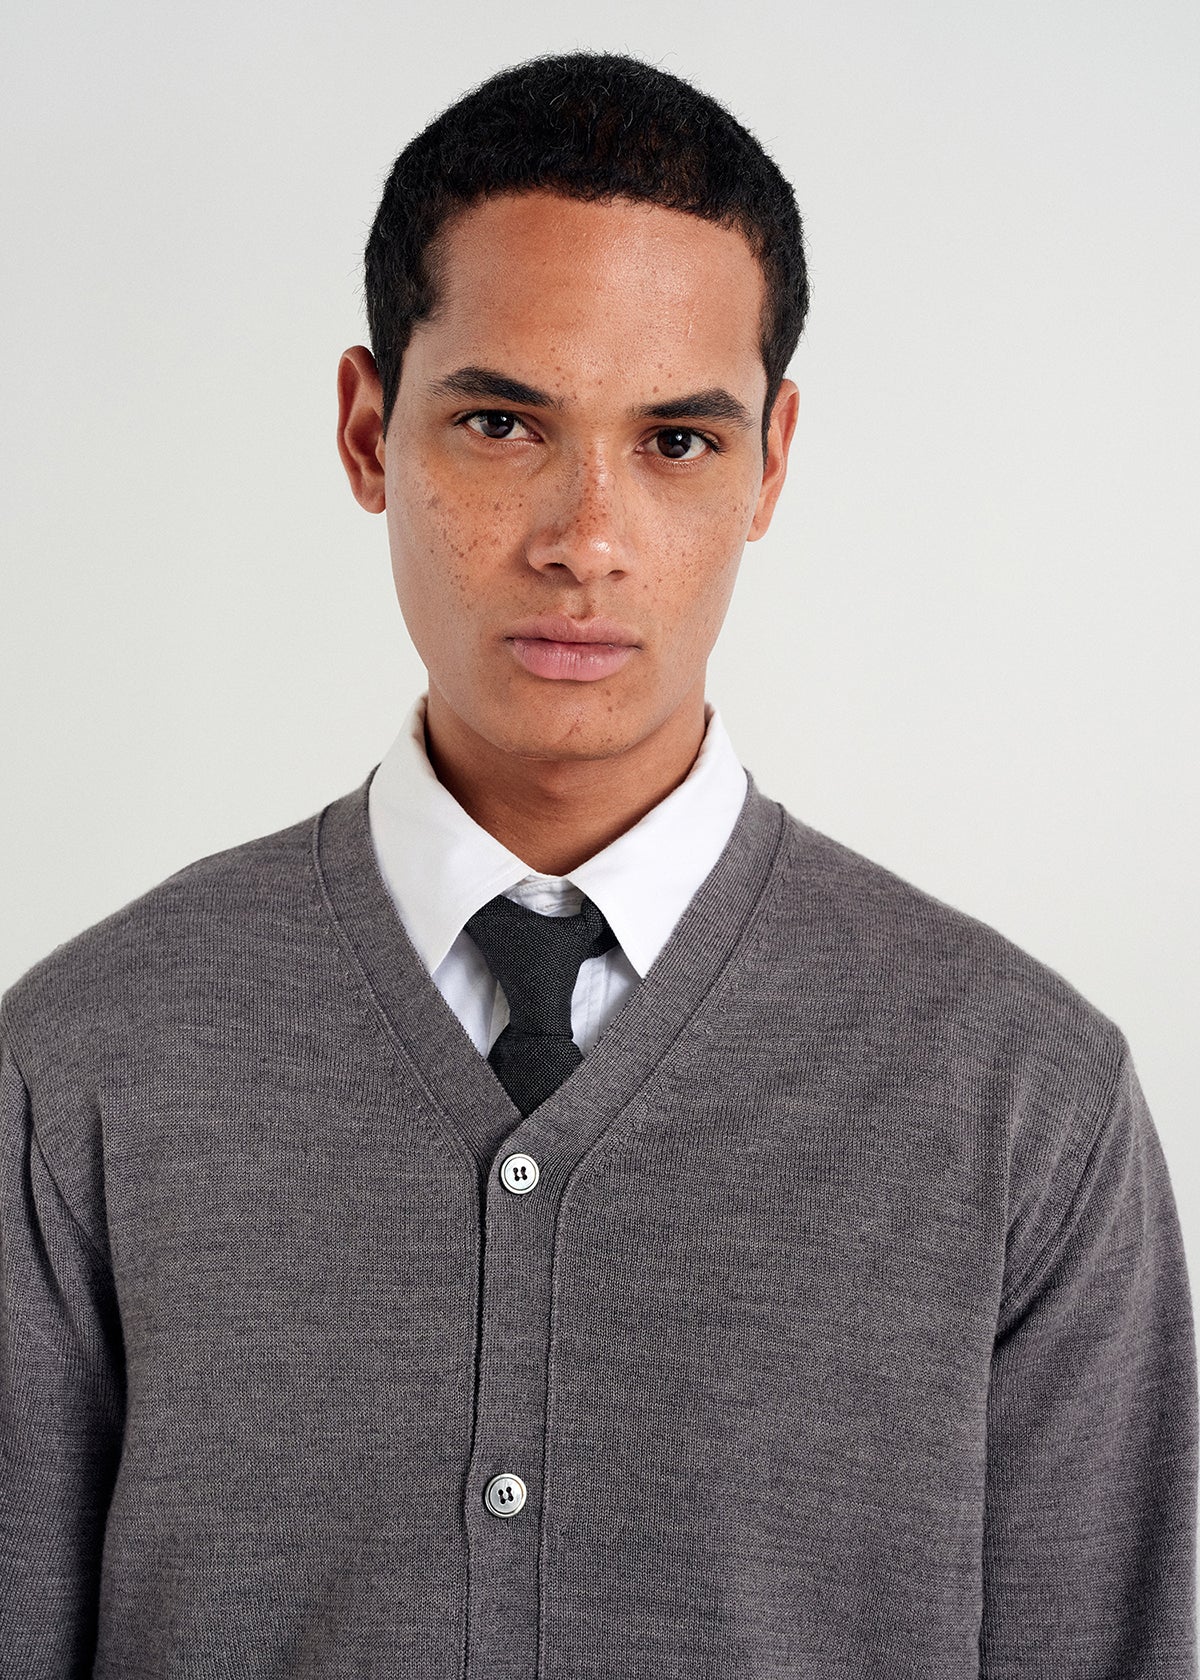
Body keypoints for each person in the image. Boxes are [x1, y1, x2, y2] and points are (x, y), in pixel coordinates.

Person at [1, 49, 1194, 1680]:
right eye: (502, 423)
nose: (586, 538)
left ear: (773, 462)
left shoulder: (1024, 1107)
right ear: (367, 430)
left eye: (677, 442)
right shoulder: (87, 1068)